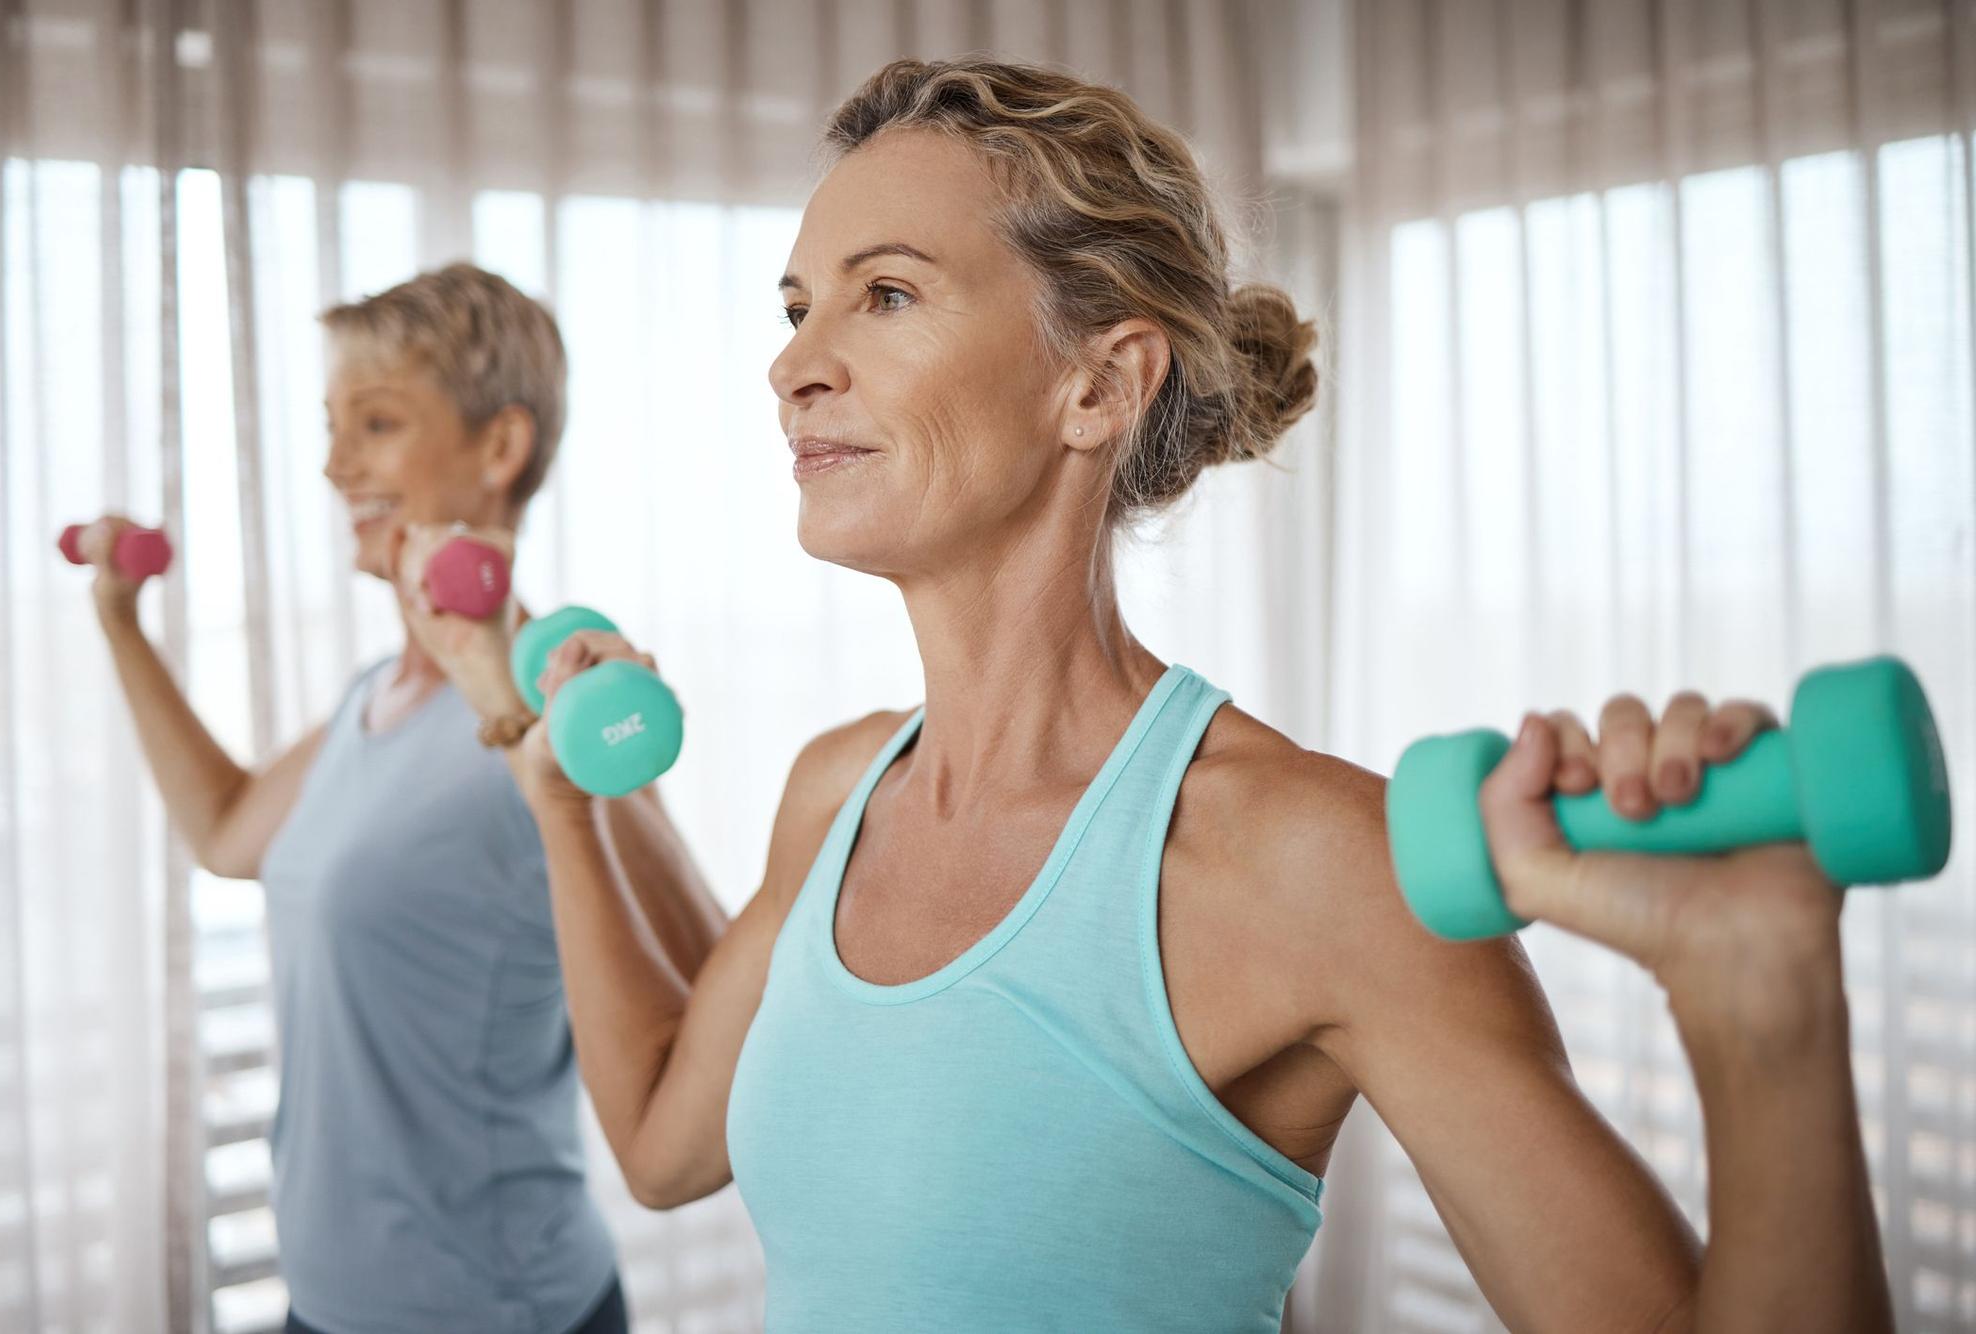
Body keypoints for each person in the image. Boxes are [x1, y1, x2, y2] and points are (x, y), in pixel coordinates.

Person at [403, 60, 1891, 1332]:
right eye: (799, 306)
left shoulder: (1318, 864)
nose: (796, 362)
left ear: (1100, 387)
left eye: (888, 294)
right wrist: (563, 805)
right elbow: (667, 1144)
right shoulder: (836, 790)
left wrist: (1764, 1003)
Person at [80, 263, 724, 1334]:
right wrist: (120, 625)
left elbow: (713, 1000)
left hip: (489, 1310)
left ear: (499, 447)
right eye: (332, 427)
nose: (335, 466)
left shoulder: (550, 708)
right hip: (329, 1303)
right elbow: (228, 830)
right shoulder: (372, 698)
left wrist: (527, 710)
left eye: (375, 424)